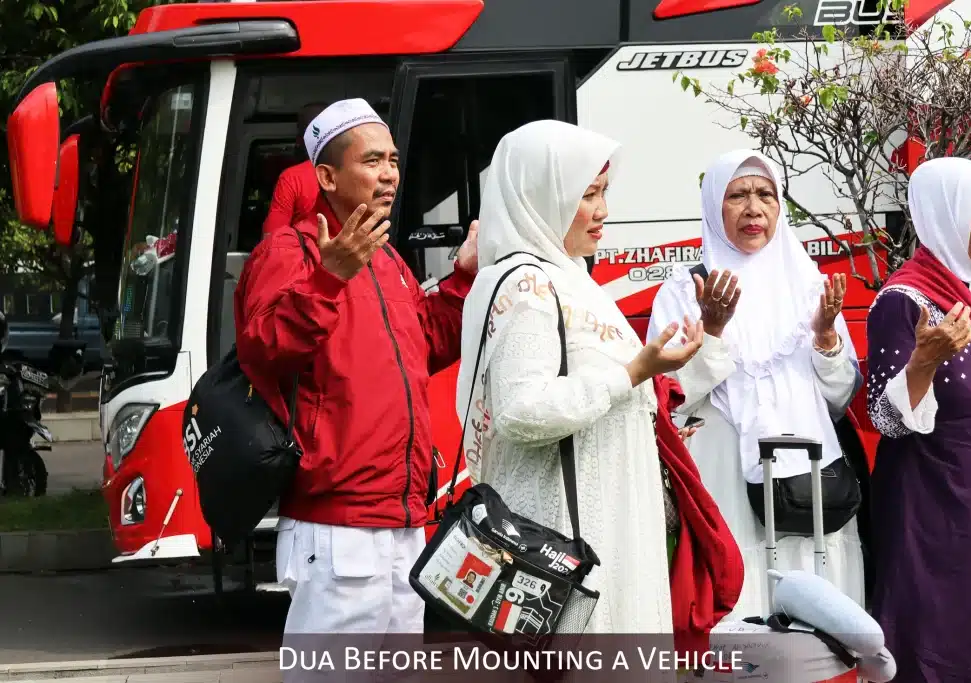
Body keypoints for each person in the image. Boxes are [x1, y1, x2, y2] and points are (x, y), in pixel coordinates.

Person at [234, 98, 479, 639]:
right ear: (326, 174)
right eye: (371, 161)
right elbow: (262, 351)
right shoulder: (287, 250)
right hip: (335, 523)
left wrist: (462, 281)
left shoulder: (387, 258)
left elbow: (425, 343)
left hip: (405, 517)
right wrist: (329, 277)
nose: (389, 174)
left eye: (392, 160)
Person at [455, 119, 706, 634]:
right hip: (565, 536)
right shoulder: (527, 284)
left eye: (604, 193)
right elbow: (521, 412)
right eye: (587, 194)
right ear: (540, 197)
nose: (603, 212)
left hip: (609, 526)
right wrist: (633, 372)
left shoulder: (570, 277)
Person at [646, 149, 865, 622]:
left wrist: (827, 337)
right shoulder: (686, 290)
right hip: (727, 479)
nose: (754, 209)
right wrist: (714, 331)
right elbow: (668, 397)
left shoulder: (809, 285)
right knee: (741, 611)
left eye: (765, 194)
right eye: (737, 195)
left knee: (814, 623)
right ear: (713, 206)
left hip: (811, 482)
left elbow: (840, 399)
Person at [865, 156, 971, 683]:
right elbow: (885, 417)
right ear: (944, 216)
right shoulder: (903, 302)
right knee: (959, 647)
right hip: (943, 517)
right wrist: (926, 359)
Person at [261, 101, 327, 236]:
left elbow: (271, 238)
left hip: (307, 256)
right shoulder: (360, 170)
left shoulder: (292, 177)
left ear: (300, 139)